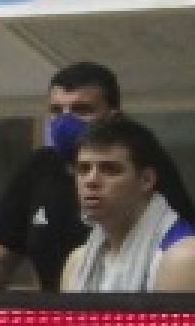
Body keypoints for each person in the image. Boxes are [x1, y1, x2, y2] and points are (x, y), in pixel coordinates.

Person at [0, 61, 117, 291]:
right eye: (56, 111)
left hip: (124, 309)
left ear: (113, 117)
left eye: (81, 110)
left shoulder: (139, 168)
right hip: (53, 310)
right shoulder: (40, 168)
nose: (65, 121)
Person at [60, 115, 195, 293]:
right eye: (83, 169)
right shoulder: (76, 263)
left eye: (110, 169)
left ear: (146, 180)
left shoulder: (183, 258)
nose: (91, 180)